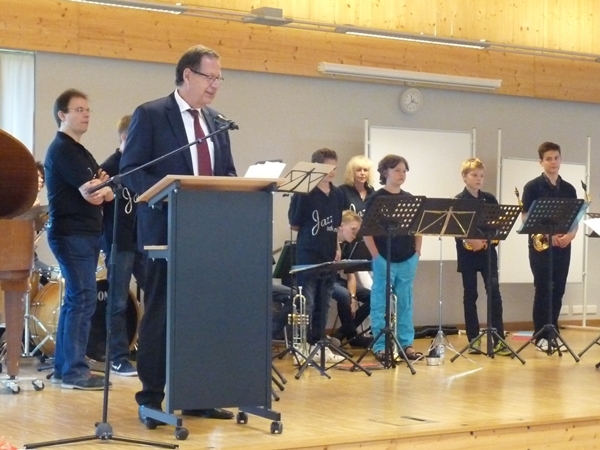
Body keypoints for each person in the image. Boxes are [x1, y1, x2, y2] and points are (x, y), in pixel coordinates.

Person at [120, 45, 236, 421]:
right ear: (187, 75)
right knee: (161, 316)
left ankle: (197, 394)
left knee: (200, 316)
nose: (215, 84)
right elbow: (132, 170)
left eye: (219, 78)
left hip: (206, 235)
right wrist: (171, 194)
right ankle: (151, 399)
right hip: (164, 233)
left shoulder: (217, 121)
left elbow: (227, 173)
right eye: (209, 77)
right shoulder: (152, 114)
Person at [44, 88, 114, 390]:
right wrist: (100, 187)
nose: (86, 115)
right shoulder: (63, 149)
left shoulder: (80, 151)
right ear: (63, 115)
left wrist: (102, 187)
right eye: (79, 110)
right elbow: (93, 191)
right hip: (72, 234)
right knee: (83, 298)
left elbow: (105, 188)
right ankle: (74, 371)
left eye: (88, 110)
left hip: (83, 234)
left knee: (78, 298)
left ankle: (65, 368)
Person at [362, 154, 422, 362]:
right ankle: (380, 346)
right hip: (383, 258)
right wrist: (375, 255)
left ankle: (406, 344)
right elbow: (366, 230)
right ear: (385, 172)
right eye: (397, 170)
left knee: (405, 303)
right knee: (380, 303)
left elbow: (418, 228)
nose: (402, 174)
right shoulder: (376, 199)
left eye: (404, 171)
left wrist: (417, 252)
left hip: (407, 257)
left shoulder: (409, 198)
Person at [288, 148, 345, 364]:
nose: (331, 172)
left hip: (328, 255)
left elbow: (336, 225)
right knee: (307, 303)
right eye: (326, 167)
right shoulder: (304, 192)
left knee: (324, 303)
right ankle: (300, 347)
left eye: (334, 167)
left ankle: (319, 345)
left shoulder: (337, 194)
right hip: (308, 254)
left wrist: (337, 247)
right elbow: (295, 224)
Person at [99, 114, 146, 376]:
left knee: (159, 294)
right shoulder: (109, 168)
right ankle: (117, 357)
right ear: (126, 137)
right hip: (118, 241)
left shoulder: (141, 166)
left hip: (144, 241)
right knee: (117, 301)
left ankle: (151, 350)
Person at [522, 142, 578, 352]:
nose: (553, 162)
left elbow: (575, 219)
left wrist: (570, 236)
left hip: (563, 246)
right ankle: (540, 336)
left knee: (559, 289)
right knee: (544, 289)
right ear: (541, 162)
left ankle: (553, 333)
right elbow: (526, 218)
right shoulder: (532, 187)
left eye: (556, 158)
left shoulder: (569, 189)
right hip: (541, 246)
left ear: (560, 159)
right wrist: (549, 235)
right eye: (548, 159)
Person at [454, 158, 509, 356]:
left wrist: (488, 239)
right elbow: (456, 229)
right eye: (474, 175)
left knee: (494, 293)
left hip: (487, 253)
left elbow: (497, 224)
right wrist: (472, 240)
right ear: (464, 177)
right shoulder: (458, 201)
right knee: (470, 295)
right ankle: (473, 339)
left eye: (481, 176)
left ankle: (498, 339)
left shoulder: (489, 199)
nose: (479, 179)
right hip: (467, 254)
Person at [331, 210, 372, 348]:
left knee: (374, 297)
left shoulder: (349, 245)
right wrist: (350, 297)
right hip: (325, 279)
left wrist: (353, 298)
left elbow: (351, 275)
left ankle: (342, 334)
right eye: (353, 229)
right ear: (341, 226)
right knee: (344, 295)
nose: (355, 234)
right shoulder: (327, 241)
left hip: (336, 280)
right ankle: (352, 336)